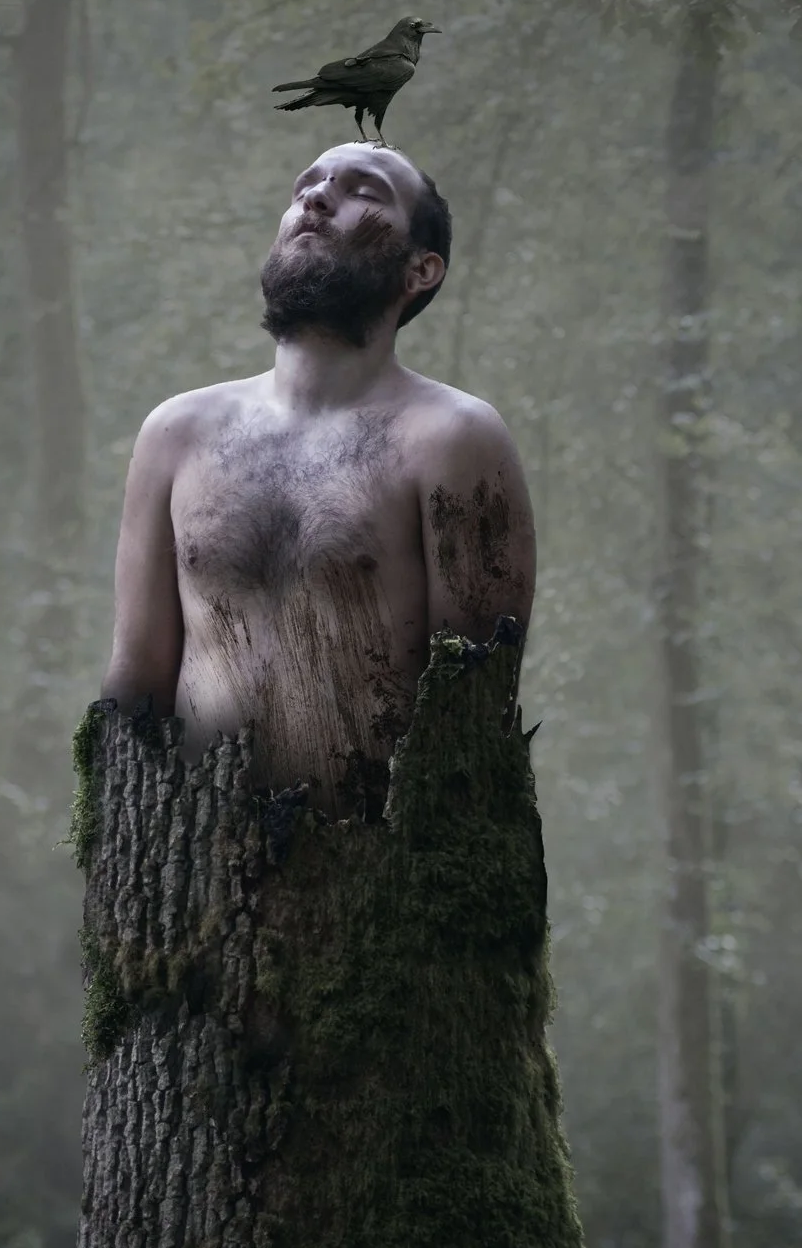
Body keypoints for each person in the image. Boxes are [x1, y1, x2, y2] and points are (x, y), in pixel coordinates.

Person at [100, 144, 536, 814]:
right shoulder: (175, 433)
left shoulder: (452, 439)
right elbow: (136, 685)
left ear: (421, 269)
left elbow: (473, 709)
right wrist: (122, 869)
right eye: (308, 184)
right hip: (194, 874)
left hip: (377, 878)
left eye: (364, 190)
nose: (318, 196)